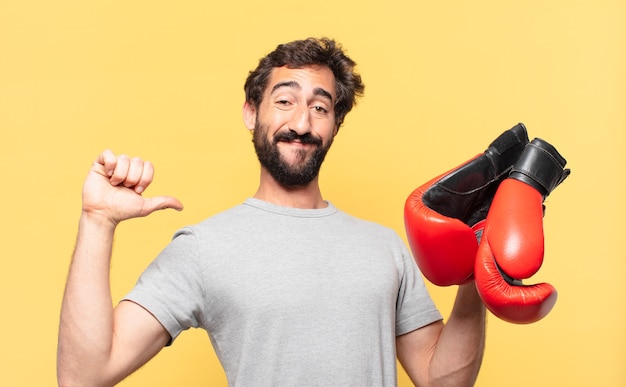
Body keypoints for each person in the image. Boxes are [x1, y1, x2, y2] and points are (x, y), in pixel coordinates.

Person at [57, 37, 486, 387]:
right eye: (284, 101)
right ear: (251, 113)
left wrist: (476, 268)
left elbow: (442, 380)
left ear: (335, 125)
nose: (302, 122)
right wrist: (98, 219)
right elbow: (83, 376)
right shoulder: (204, 249)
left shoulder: (385, 248)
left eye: (320, 107)